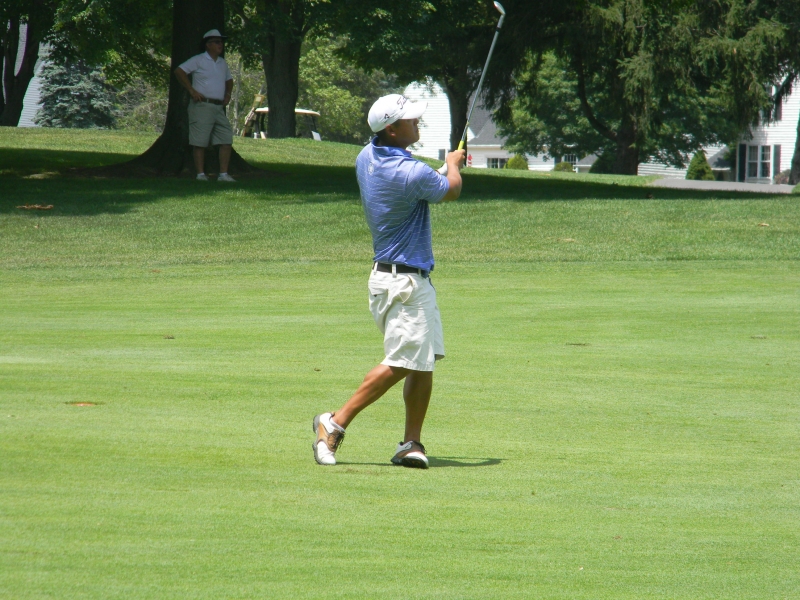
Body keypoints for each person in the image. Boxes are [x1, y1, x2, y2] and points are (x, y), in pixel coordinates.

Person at [313, 94, 465, 469]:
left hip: (391, 280)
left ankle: (411, 443)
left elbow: (416, 179)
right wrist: (452, 165)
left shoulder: (366, 157)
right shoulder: (410, 173)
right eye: (410, 120)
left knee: (421, 362)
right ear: (392, 130)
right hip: (405, 283)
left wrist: (441, 168)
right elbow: (450, 189)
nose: (417, 123)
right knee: (402, 362)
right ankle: (334, 422)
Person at [174, 29, 236, 182]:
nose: (220, 45)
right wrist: (191, 90)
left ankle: (223, 174)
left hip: (218, 107)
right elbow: (179, 71)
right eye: (217, 42)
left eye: (221, 42)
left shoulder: (222, 63)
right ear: (208, 44)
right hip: (202, 105)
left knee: (226, 139)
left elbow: (229, 80)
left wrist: (228, 94)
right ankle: (200, 175)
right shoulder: (199, 60)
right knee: (200, 142)